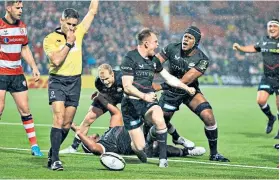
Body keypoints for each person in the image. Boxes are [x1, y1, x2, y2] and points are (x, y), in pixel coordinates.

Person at [120, 28, 196, 168]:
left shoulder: (154, 60)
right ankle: (137, 148)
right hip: (130, 105)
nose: (157, 45)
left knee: (159, 118)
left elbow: (168, 78)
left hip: (148, 102)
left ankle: (163, 160)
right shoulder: (129, 58)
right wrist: (144, 96)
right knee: (139, 146)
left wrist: (186, 87)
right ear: (146, 43)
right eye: (155, 42)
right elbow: (127, 87)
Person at [153, 26, 230, 162]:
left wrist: (160, 86)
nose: (185, 40)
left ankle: (214, 154)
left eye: (190, 38)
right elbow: (155, 63)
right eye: (185, 36)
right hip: (171, 93)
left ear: (196, 42)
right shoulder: (172, 48)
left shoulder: (202, 59)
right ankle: (176, 138)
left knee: (208, 116)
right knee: (160, 123)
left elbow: (184, 81)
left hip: (189, 90)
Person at [43, 0, 99, 171]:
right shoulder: (50, 39)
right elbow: (57, 60)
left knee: (67, 125)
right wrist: (69, 42)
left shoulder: (79, 32)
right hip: (58, 80)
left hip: (75, 82)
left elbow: (92, 11)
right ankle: (55, 160)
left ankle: (53, 153)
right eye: (69, 24)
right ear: (61, 21)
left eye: (75, 25)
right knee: (58, 119)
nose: (72, 28)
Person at [70, 104, 206, 158]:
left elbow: (116, 113)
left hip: (137, 127)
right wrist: (80, 133)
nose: (91, 135)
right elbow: (93, 147)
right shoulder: (102, 147)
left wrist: (101, 99)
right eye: (89, 138)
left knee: (160, 118)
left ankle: (177, 137)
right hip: (137, 144)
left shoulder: (109, 132)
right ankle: (187, 151)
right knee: (155, 148)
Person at [0, 0, 42, 156]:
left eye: (22, 8)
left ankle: (34, 146)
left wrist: (34, 67)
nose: (20, 10)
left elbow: (24, 49)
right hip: (1, 73)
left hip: (17, 74)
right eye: (17, 8)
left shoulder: (22, 26)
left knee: (25, 109)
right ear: (8, 7)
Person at [59, 63, 124, 154]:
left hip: (126, 99)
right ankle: (74, 147)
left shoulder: (123, 78)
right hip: (109, 98)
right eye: (103, 79)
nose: (105, 82)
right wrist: (98, 96)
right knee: (89, 117)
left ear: (112, 74)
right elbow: (104, 93)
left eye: (107, 79)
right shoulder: (98, 82)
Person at [233, 19, 279, 139]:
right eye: (270, 26)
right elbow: (253, 48)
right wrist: (240, 48)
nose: (272, 28)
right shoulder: (264, 40)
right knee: (260, 101)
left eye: (275, 26)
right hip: (267, 77)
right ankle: (271, 117)